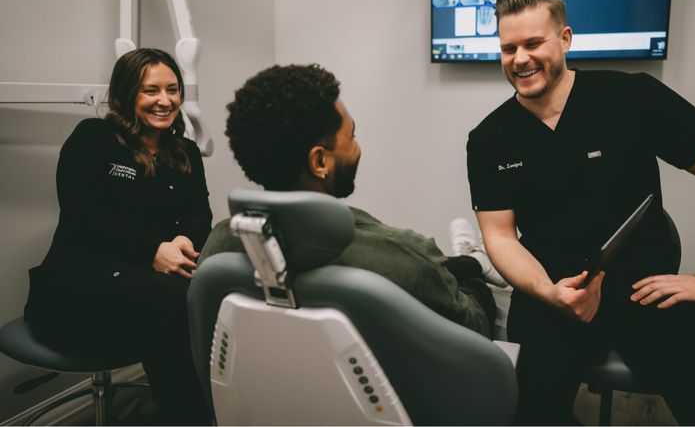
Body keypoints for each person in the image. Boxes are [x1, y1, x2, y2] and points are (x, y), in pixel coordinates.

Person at [466, 0, 695, 425]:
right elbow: (499, 236)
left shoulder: (631, 97)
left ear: (564, 39)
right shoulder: (489, 138)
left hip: (645, 289)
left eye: (533, 43)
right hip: (553, 295)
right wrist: (549, 292)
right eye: (508, 49)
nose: (520, 59)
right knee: (531, 414)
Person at [199, 63, 498, 338]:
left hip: (270, 395)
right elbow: (474, 326)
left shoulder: (219, 246)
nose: (358, 147)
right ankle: (477, 267)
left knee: (445, 268)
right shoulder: (401, 255)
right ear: (319, 161)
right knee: (466, 284)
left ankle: (470, 260)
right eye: (352, 136)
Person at [24, 48, 212, 425]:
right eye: (151, 91)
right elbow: (82, 217)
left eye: (172, 90)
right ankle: (188, 416)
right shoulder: (94, 138)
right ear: (128, 95)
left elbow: (199, 214)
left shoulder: (185, 151)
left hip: (148, 287)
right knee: (177, 302)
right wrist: (151, 250)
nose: (165, 100)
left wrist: (183, 242)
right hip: (76, 288)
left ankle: (195, 412)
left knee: (206, 292)